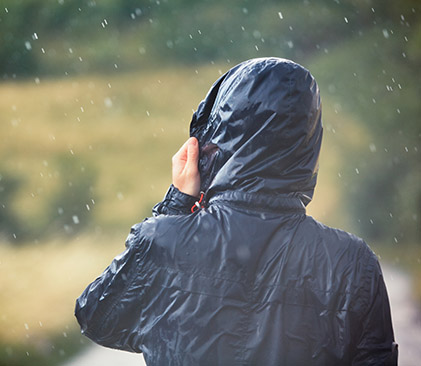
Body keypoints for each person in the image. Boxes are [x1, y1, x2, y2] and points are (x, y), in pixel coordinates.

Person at [75, 57, 398, 365]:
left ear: (211, 142)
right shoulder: (352, 260)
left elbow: (99, 321)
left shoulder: (163, 241)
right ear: (309, 144)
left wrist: (177, 201)